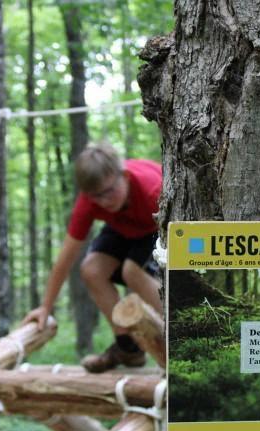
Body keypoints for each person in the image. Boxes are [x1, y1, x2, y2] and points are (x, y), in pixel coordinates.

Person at [21, 142, 163, 372]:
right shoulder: (90, 202)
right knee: (91, 270)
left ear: (124, 176)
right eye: (96, 197)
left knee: (132, 272)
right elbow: (67, 256)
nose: (104, 201)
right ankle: (128, 348)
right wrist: (45, 307)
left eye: (108, 191)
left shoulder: (153, 190)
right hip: (123, 227)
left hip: (157, 224)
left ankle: (176, 337)